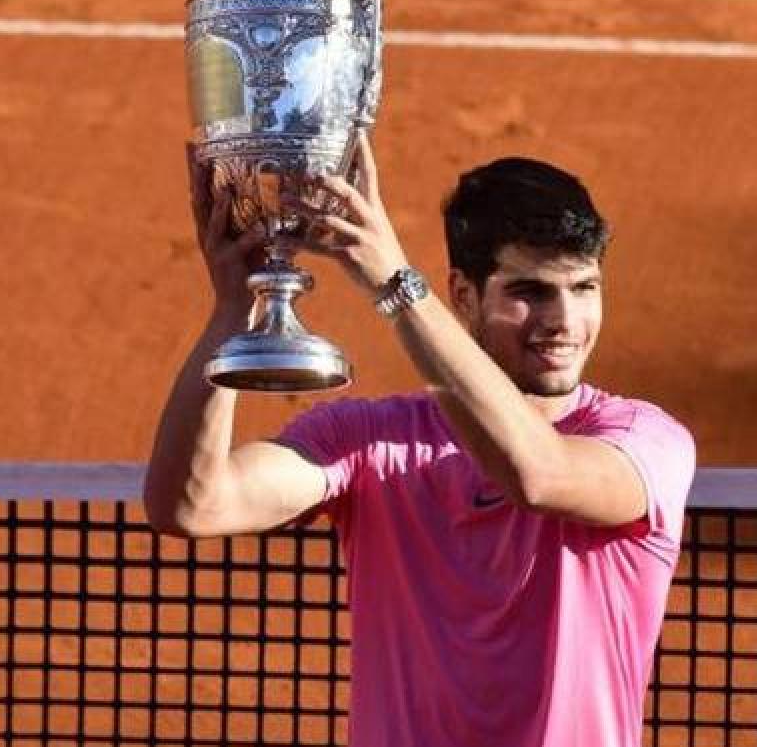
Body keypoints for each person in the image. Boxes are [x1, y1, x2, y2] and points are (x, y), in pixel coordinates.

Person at [144, 133, 697, 747]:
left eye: (584, 288)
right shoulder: (371, 444)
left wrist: (394, 283)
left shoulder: (646, 442)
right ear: (463, 295)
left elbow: (539, 476)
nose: (564, 321)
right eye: (530, 293)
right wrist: (234, 312)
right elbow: (192, 505)